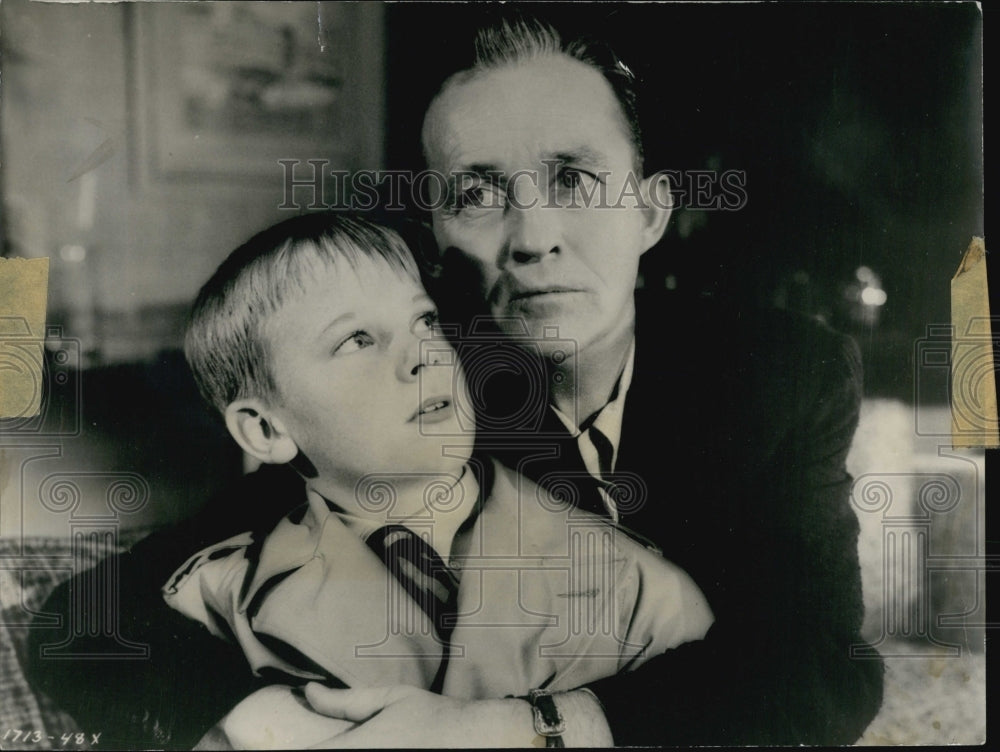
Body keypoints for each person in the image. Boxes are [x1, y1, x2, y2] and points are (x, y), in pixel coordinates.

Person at [27, 12, 884, 749]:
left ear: (650, 211)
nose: (533, 235)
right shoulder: (422, 397)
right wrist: (262, 718)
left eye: (575, 179)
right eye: (478, 193)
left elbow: (819, 673)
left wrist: (513, 732)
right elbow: (87, 621)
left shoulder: (778, 376)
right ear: (436, 235)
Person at [164, 211, 712, 747]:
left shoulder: (639, 587)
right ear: (264, 430)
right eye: (356, 339)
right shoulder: (214, 601)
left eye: (424, 321)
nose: (422, 355)